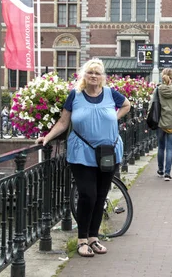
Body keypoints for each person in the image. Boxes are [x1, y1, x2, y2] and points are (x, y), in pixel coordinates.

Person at [35, 58, 131, 257]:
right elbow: (63, 122)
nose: (94, 76)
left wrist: (115, 117)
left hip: (108, 152)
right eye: (90, 73)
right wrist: (47, 137)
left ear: (102, 77)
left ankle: (94, 238)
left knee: (101, 195)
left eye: (97, 73)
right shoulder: (75, 96)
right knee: (88, 194)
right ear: (84, 76)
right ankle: (82, 239)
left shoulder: (111, 94)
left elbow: (127, 105)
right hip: (82, 152)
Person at [153, 68, 172, 182]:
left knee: (161, 147)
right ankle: (167, 173)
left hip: (161, 122)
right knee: (170, 148)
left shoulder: (158, 89)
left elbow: (153, 105)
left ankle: (160, 170)